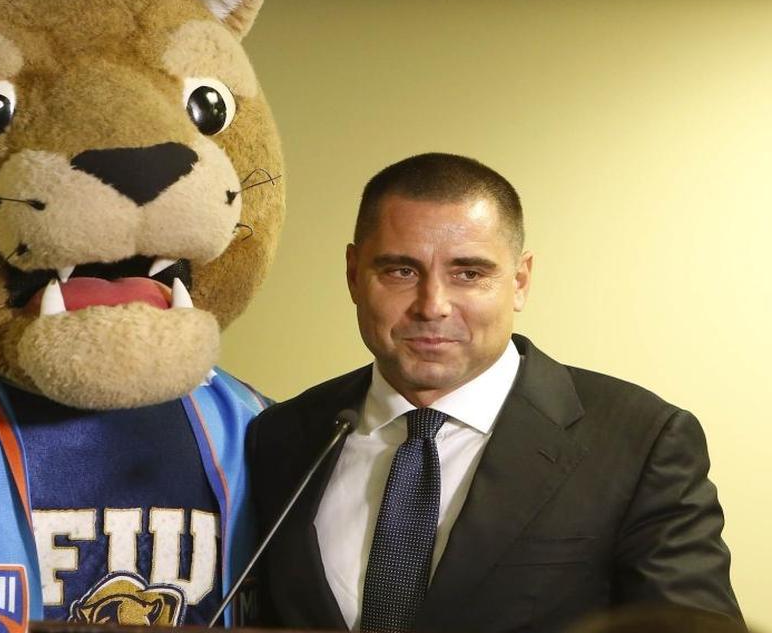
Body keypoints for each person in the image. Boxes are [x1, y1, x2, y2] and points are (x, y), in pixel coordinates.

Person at [245, 153, 741, 633]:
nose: (432, 305)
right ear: (354, 274)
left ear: (520, 281)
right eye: (401, 271)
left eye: (469, 273)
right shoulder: (279, 435)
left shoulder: (640, 441)